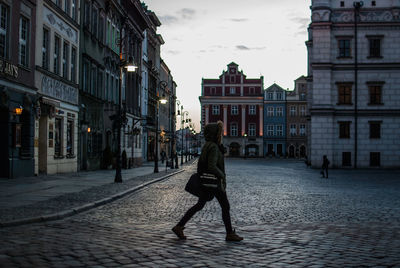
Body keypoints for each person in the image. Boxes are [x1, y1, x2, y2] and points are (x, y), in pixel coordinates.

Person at [172, 121, 243, 242]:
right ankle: (229, 233)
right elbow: (211, 166)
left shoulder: (208, 145)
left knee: (200, 205)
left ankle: (179, 226)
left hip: (207, 182)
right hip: (214, 182)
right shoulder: (214, 147)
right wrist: (221, 175)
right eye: (219, 133)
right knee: (225, 206)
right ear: (215, 134)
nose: (221, 135)